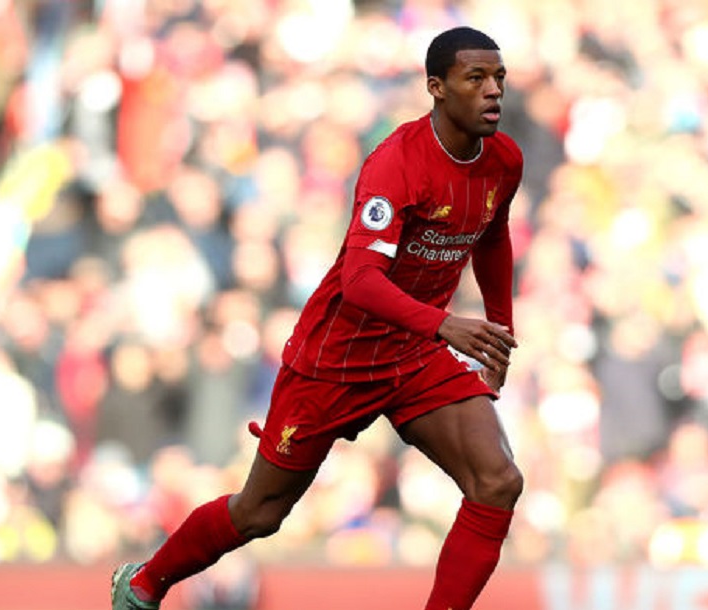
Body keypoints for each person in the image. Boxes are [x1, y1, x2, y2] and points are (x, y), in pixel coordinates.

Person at [111, 25, 524, 610]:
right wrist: (447, 325)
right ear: (436, 87)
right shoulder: (396, 164)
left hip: (413, 353)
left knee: (498, 481)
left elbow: (493, 233)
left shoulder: (504, 160)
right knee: (260, 512)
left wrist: (499, 332)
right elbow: (360, 281)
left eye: (498, 77)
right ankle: (144, 583)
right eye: (475, 78)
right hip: (337, 357)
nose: (493, 90)